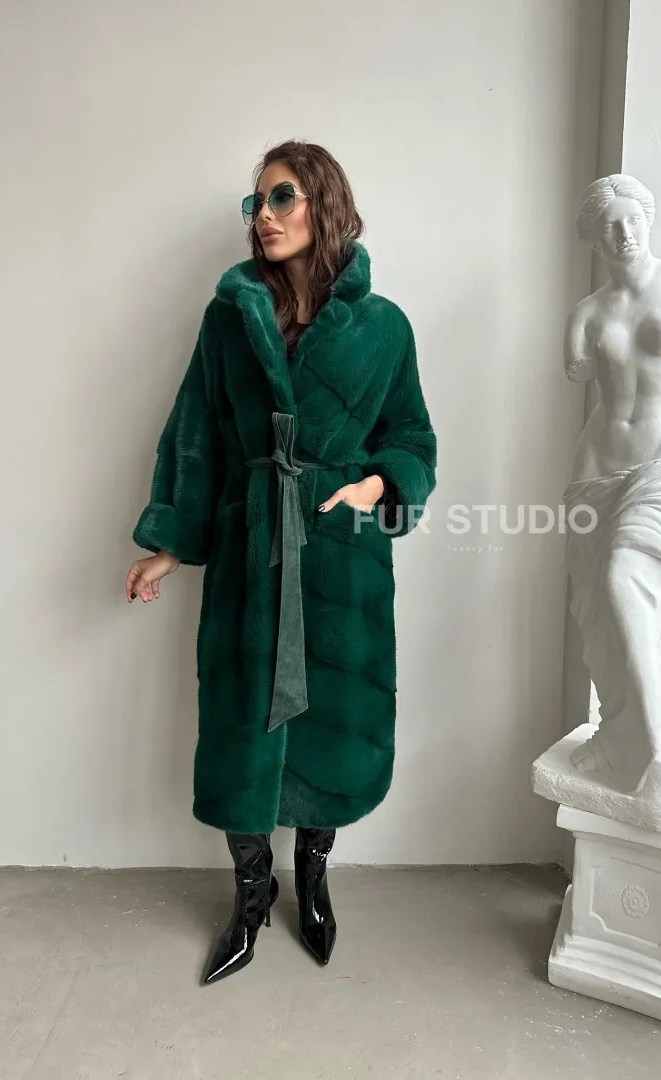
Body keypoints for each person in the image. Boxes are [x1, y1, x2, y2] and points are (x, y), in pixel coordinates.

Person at [125, 140, 436, 982]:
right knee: (242, 723)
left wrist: (376, 486)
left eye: (281, 197)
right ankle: (251, 893)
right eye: (255, 202)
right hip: (252, 548)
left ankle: (314, 877)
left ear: (323, 204)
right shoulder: (229, 318)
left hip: (340, 557)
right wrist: (168, 545)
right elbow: (196, 432)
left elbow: (411, 435)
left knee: (331, 721)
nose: (262, 216)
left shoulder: (383, 326)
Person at [563, 173, 661, 832]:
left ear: (647, 220)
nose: (624, 233)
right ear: (593, 238)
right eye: (609, 226)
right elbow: (587, 381)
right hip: (599, 476)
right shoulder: (585, 316)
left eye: (632, 220)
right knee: (601, 614)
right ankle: (624, 737)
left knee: (624, 575)